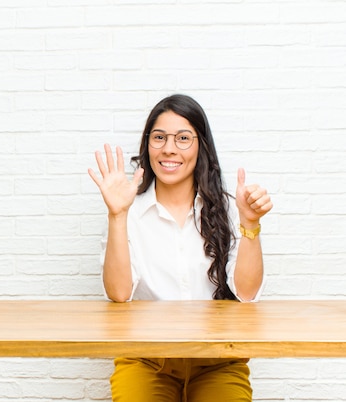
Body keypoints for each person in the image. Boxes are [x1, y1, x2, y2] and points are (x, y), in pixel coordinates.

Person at [87, 94, 273, 402]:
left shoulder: (226, 209)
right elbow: (119, 294)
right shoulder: (129, 211)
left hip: (217, 361)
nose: (169, 148)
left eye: (183, 138)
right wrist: (117, 215)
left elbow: (247, 293)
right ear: (148, 146)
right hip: (145, 360)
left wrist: (250, 223)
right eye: (159, 137)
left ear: (201, 146)